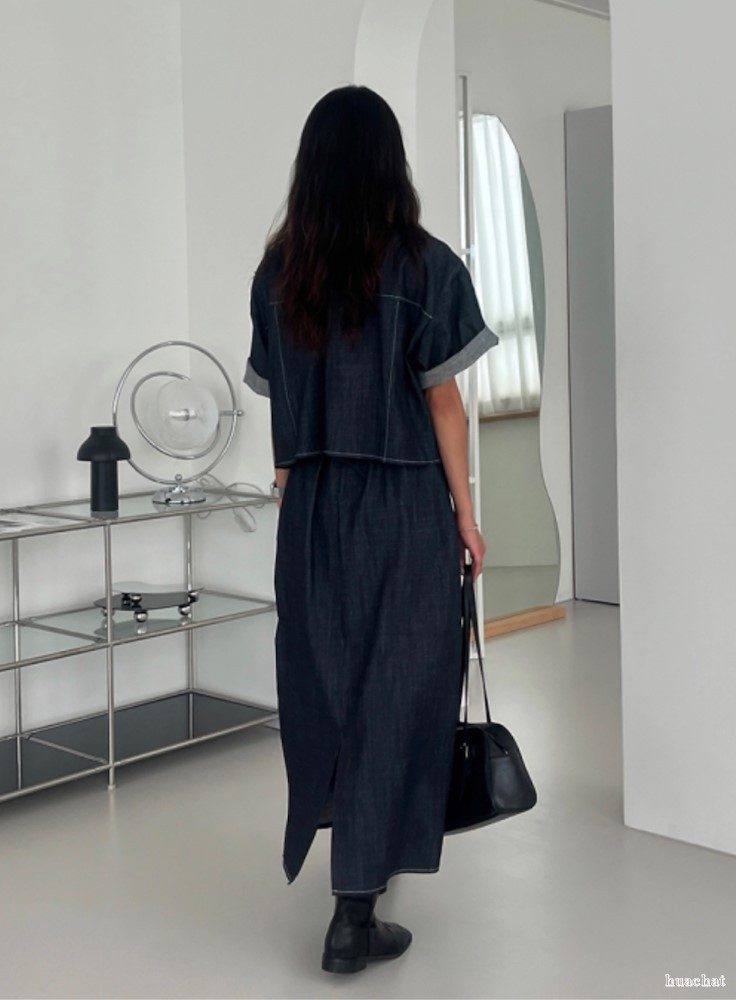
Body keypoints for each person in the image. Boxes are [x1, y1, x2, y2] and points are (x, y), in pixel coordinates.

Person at [243, 84, 498, 975]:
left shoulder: (279, 274)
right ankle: (354, 909)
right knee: (401, 686)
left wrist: (293, 484)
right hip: (402, 505)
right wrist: (466, 515)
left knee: (326, 687)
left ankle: (351, 875)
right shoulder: (426, 266)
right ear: (391, 161)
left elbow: (282, 409)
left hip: (311, 508)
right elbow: (445, 405)